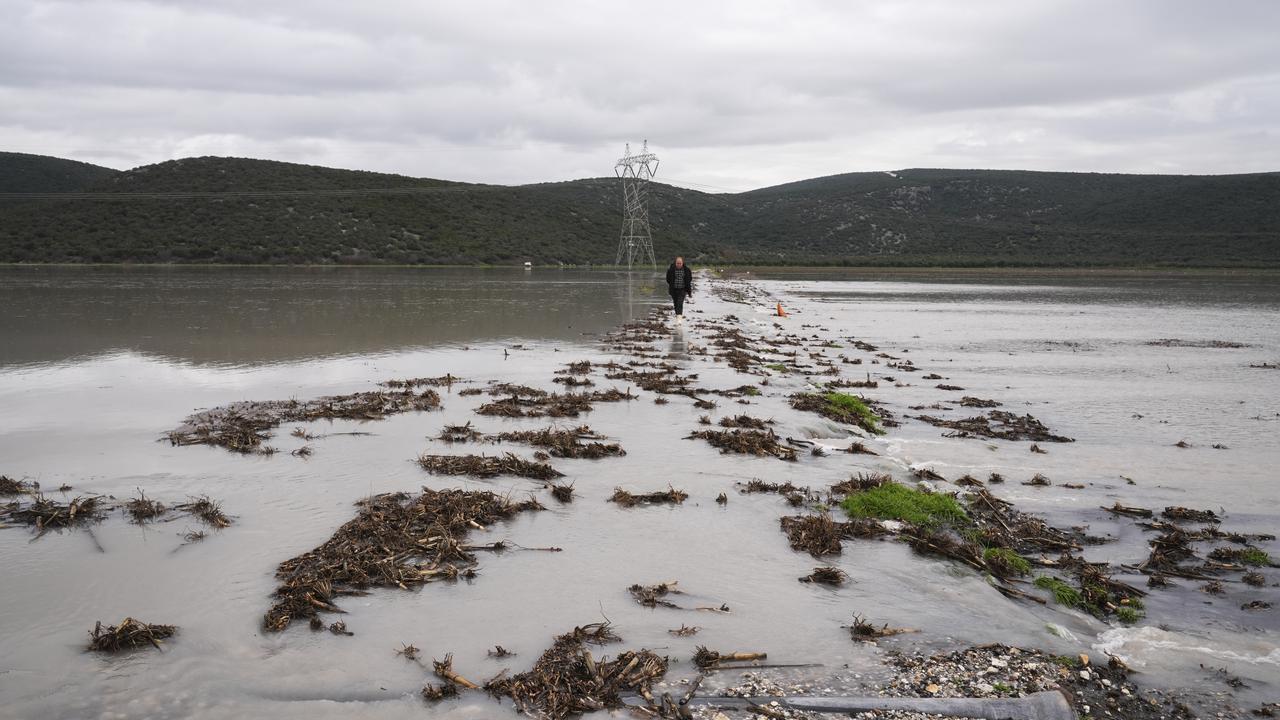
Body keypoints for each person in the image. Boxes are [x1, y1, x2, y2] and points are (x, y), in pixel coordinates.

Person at [665, 256, 693, 322]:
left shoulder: (687, 270)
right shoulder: (671, 270)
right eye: (677, 263)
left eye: (680, 263)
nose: (679, 264)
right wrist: (672, 284)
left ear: (682, 263)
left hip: (682, 290)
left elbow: (689, 279)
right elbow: (668, 279)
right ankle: (677, 316)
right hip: (674, 290)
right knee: (675, 304)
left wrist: (688, 291)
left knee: (680, 303)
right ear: (675, 263)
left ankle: (679, 320)